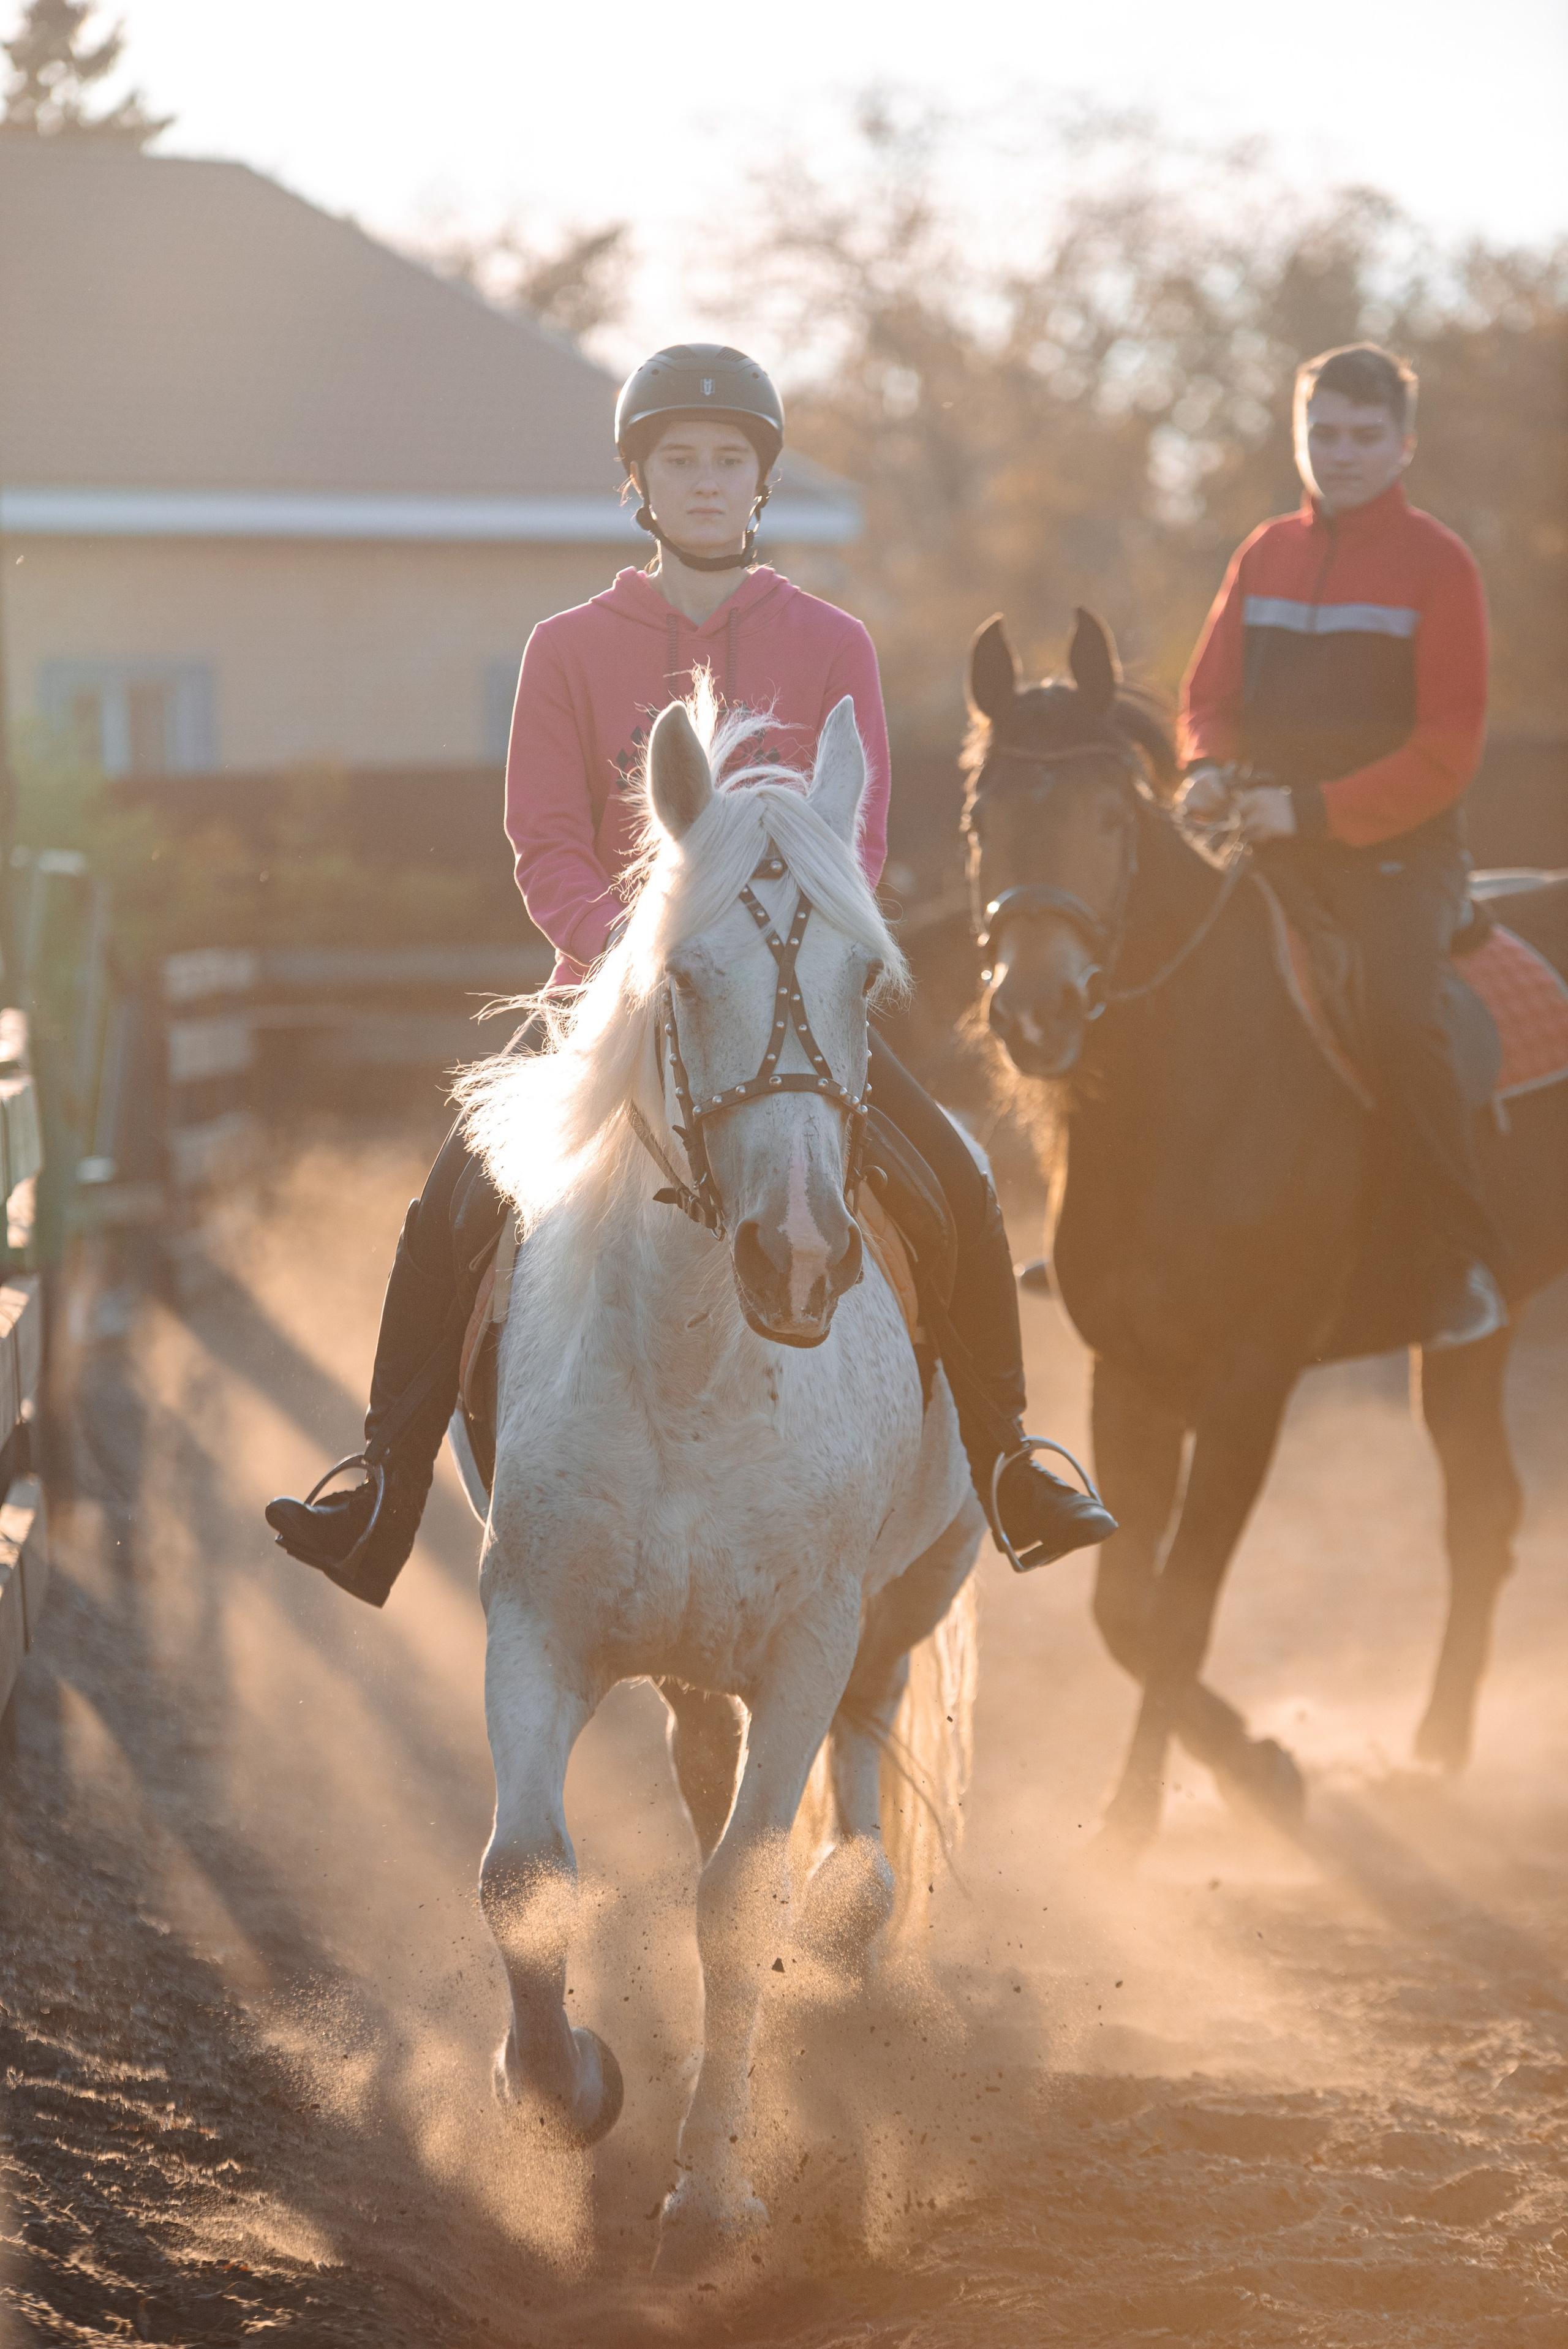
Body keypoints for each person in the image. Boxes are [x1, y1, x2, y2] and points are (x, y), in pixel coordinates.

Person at [266, 342, 1115, 1606]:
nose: (706, 482)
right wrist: (635, 961)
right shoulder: (563, 648)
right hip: (607, 1004)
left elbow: (860, 835)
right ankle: (384, 1486)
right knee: (448, 1201)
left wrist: (786, 950)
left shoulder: (834, 643)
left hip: (790, 1012)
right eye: (681, 461)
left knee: (954, 1175)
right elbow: (541, 837)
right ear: (640, 483)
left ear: (759, 483)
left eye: (729, 461)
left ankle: (1005, 1464)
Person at [1178, 340, 1504, 1351]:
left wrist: (1313, 813)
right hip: (1264, 838)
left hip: (1395, 854)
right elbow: (1210, 700)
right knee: (1153, 981)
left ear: (1405, 445)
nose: (1343, 453)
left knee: (1404, 1021)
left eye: (1366, 436)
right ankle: (1123, 1232)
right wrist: (1204, 767)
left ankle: (1453, 1261)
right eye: (1324, 433)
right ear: (1299, 436)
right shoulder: (1263, 552)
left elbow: (1449, 749)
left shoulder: (1440, 565)